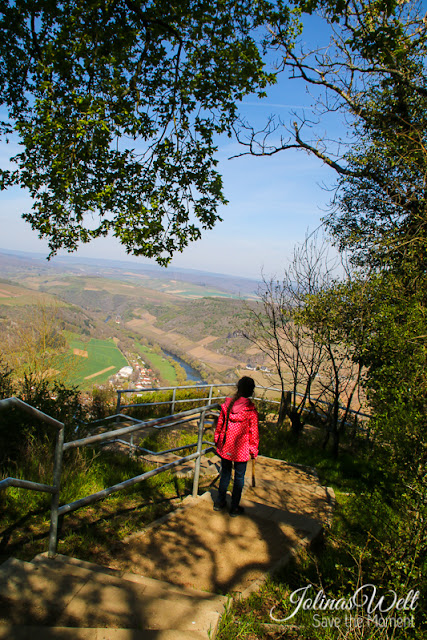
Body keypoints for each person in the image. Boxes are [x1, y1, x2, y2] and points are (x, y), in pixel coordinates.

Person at [213, 376, 259, 516]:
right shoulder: (250, 410)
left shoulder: (228, 405)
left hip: (226, 446)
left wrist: (217, 440)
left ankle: (220, 502)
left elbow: (220, 424)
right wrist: (253, 450)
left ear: (238, 388)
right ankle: (234, 507)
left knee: (225, 474)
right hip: (242, 450)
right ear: (251, 391)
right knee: (239, 478)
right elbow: (254, 432)